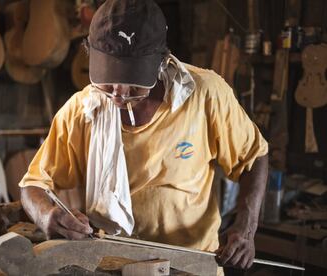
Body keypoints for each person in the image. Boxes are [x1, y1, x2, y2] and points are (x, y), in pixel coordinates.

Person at [19, 0, 268, 274]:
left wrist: (246, 227)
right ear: (90, 54)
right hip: (109, 264)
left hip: (192, 265)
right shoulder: (83, 111)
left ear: (161, 63)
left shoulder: (204, 94)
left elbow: (253, 158)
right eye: (107, 81)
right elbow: (33, 185)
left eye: (134, 83)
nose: (118, 94)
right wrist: (46, 215)